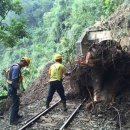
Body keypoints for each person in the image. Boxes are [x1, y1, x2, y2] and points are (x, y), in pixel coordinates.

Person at [7, 57, 30, 125]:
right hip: (13, 88)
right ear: (24, 62)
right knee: (15, 103)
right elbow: (14, 81)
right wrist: (18, 90)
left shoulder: (14, 65)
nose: (25, 66)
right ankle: (12, 121)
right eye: (25, 65)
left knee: (16, 102)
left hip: (11, 87)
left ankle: (16, 116)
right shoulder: (16, 68)